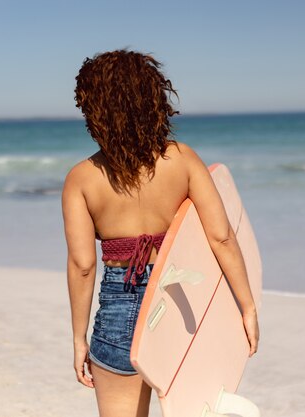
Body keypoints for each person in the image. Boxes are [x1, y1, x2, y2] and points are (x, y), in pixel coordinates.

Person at [62, 50, 259, 417]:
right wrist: (247, 307)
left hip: (119, 312)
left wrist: (78, 340)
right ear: (154, 99)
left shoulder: (82, 178)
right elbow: (222, 238)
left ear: (94, 111)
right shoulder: (182, 159)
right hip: (183, 303)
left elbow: (83, 265)